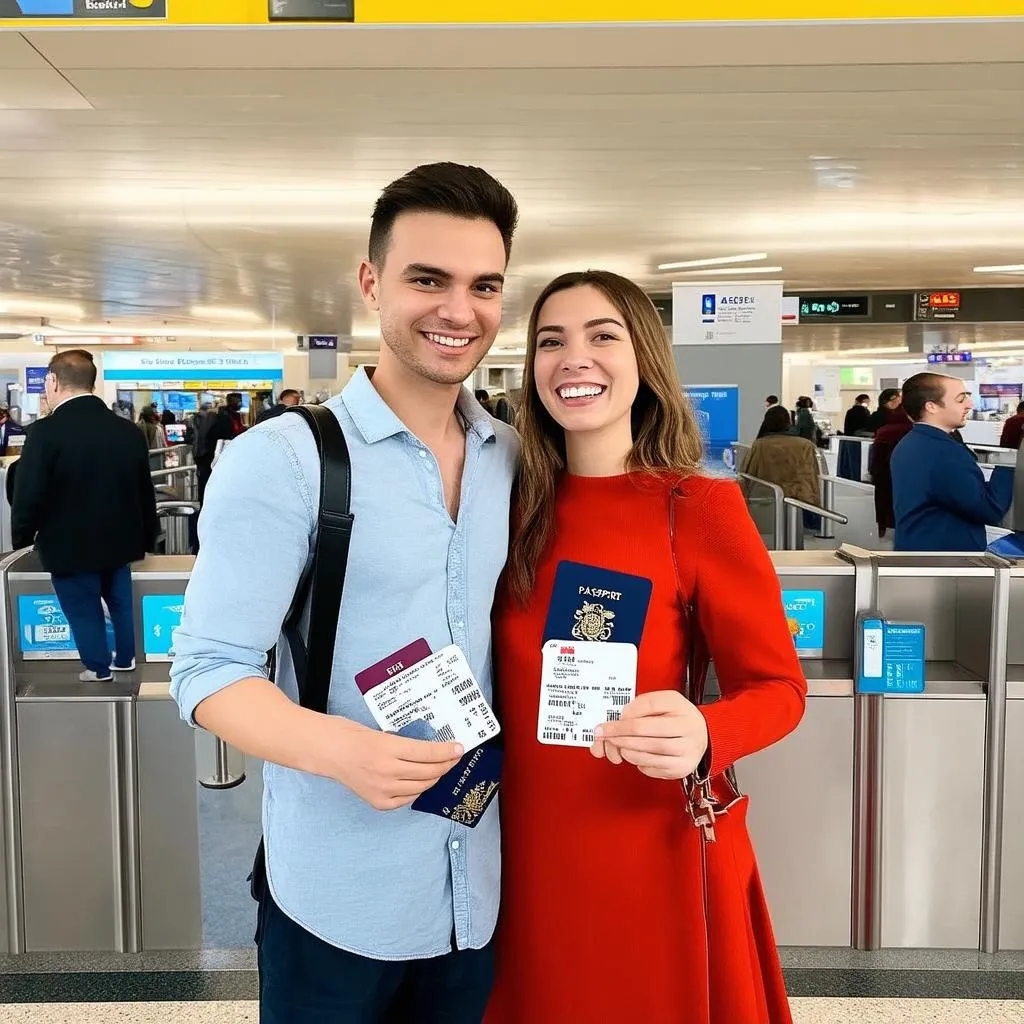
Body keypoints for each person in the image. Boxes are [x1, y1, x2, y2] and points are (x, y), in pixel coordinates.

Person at [170, 162, 520, 1023]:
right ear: (371, 283)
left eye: (484, 285)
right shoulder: (286, 460)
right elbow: (207, 672)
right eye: (426, 279)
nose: (457, 310)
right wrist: (339, 749)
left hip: (478, 889)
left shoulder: (511, 460)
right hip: (337, 894)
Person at [486, 271, 806, 1024]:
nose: (575, 359)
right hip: (513, 845)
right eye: (550, 342)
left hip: (642, 839)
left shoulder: (697, 510)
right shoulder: (501, 504)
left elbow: (779, 689)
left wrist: (707, 731)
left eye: (603, 336)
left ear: (645, 360)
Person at [11, 350, 157, 682]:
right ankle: (125, 659)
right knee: (120, 601)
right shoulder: (127, 431)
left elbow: (29, 493)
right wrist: (148, 536)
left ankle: (97, 667)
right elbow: (143, 490)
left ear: (53, 380)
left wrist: (22, 537)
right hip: (121, 542)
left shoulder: (45, 433)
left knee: (82, 608)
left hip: (68, 545)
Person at [891, 372, 1014, 552]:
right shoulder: (945, 452)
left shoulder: (909, 443)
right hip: (947, 562)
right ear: (931, 406)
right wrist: (1008, 465)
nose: (969, 405)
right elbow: (988, 508)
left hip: (916, 550)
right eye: (960, 399)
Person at [742, 404, 820, 505]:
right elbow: (812, 478)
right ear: (789, 422)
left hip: (768, 502)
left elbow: (747, 475)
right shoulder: (805, 445)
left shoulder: (760, 445)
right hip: (799, 502)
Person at [867, 399, 913, 539]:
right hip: (905, 474)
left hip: (883, 473)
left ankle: (881, 527)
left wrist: (873, 472)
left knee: (882, 500)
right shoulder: (912, 431)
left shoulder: (883, 431)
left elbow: (876, 455)